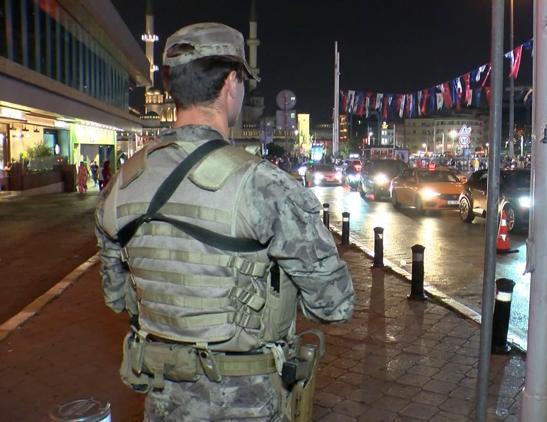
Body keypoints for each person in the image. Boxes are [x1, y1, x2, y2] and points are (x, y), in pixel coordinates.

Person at [95, 22, 354, 421]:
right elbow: (335, 303)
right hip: (248, 403)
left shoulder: (123, 183)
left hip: (164, 401)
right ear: (232, 83)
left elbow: (117, 297)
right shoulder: (263, 185)